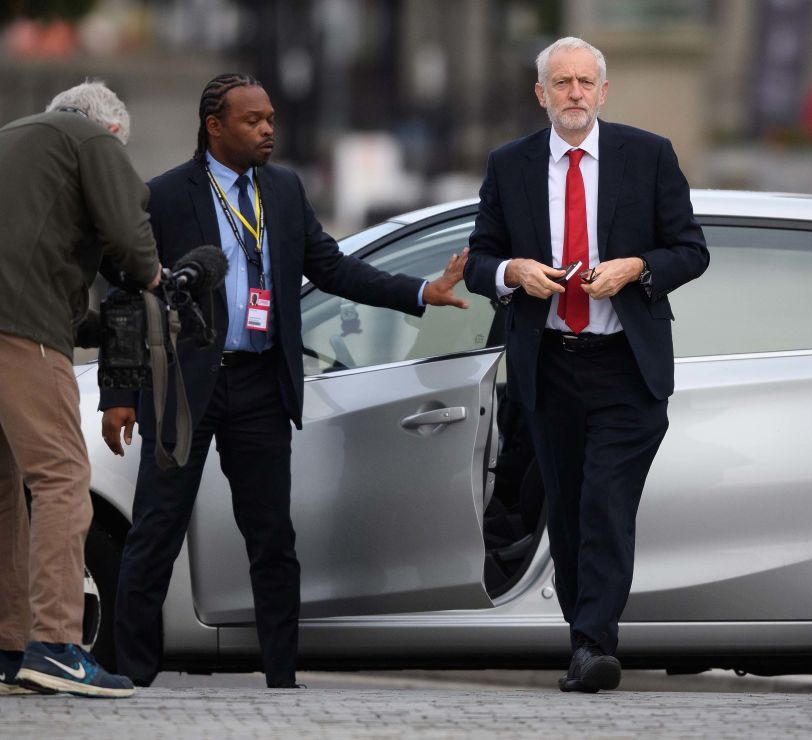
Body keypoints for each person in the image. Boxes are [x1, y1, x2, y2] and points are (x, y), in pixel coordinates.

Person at [100, 73, 469, 689]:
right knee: (156, 530)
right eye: (253, 120)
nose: (269, 128)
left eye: (271, 118)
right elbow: (123, 292)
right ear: (215, 127)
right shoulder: (165, 196)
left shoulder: (284, 189)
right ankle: (133, 675)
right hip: (182, 390)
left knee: (271, 535)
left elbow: (331, 268)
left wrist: (420, 291)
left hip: (259, 386)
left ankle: (281, 677)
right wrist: (118, 395)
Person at [464, 37, 709, 693]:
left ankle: (596, 644)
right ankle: (585, 641)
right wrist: (512, 272)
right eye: (561, 82)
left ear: (603, 92)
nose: (574, 93)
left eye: (585, 83)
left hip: (627, 365)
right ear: (540, 94)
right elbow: (480, 258)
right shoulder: (509, 164)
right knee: (567, 511)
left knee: (604, 504)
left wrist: (640, 268)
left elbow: (692, 250)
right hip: (549, 365)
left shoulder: (648, 155)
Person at [0, 81, 161, 698]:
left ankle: (10, 647)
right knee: (64, 480)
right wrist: (157, 278)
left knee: (6, 490)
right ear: (113, 134)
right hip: (22, 329)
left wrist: (89, 323)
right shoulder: (93, 138)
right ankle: (57, 646)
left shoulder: (14, 139)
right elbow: (128, 232)